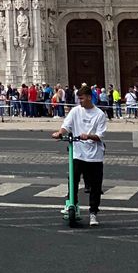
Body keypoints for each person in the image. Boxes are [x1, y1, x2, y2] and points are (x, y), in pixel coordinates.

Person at [52, 83, 107, 226]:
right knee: (73, 180)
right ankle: (72, 204)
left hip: (95, 155)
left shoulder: (100, 115)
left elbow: (100, 135)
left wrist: (88, 136)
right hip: (77, 153)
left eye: (82, 99)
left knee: (95, 186)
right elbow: (66, 125)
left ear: (89, 97)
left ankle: (93, 213)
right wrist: (59, 133)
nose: (79, 101)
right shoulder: (75, 111)